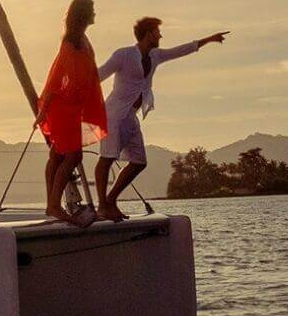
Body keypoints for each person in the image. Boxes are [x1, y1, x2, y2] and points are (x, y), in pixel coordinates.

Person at [94, 17, 228, 220]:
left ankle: (111, 200)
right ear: (148, 34)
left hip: (130, 116)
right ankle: (102, 206)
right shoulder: (124, 55)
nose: (160, 36)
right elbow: (99, 75)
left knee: (139, 161)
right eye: (157, 32)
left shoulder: (155, 56)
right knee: (107, 158)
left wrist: (208, 40)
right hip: (113, 114)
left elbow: (179, 51)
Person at [34, 0, 106, 226]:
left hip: (75, 107)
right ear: (84, 14)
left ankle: (51, 204)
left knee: (57, 154)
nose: (95, 13)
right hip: (65, 106)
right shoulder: (70, 43)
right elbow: (57, 77)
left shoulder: (82, 40)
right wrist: (44, 108)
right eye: (92, 10)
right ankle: (53, 204)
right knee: (73, 155)